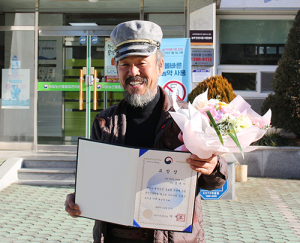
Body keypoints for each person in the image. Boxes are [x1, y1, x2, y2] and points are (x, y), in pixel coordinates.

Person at [65, 20, 228, 243]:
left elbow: (215, 181)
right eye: (124, 64)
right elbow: (95, 179)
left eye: (142, 63)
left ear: (160, 66)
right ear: (116, 68)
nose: (133, 72)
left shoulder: (188, 117)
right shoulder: (104, 121)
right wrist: (79, 198)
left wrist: (212, 166)